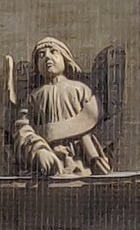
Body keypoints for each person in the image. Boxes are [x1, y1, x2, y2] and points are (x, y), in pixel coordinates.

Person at [12, 38, 110, 178]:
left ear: (65, 58)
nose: (47, 57)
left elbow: (87, 123)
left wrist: (94, 157)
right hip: (46, 162)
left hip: (77, 163)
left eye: (53, 52)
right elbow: (23, 128)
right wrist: (38, 151)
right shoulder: (33, 97)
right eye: (41, 55)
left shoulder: (80, 90)